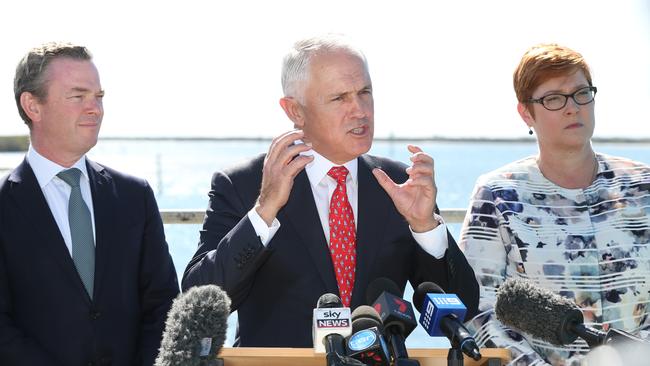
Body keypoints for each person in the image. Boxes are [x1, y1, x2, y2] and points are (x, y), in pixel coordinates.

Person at [182, 34, 479, 347]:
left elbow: (462, 309)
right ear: (295, 111)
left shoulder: (398, 183)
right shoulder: (244, 184)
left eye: (365, 93)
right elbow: (198, 303)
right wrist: (264, 211)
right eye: (340, 98)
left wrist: (425, 227)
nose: (360, 110)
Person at [459, 43, 650, 365]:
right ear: (525, 112)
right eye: (553, 98)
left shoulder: (642, 186)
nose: (572, 107)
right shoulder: (497, 195)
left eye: (581, 93)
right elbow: (479, 307)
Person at [0, 42, 180, 365]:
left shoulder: (134, 197)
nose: (95, 108)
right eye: (78, 96)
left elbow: (164, 306)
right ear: (33, 106)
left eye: (98, 97)